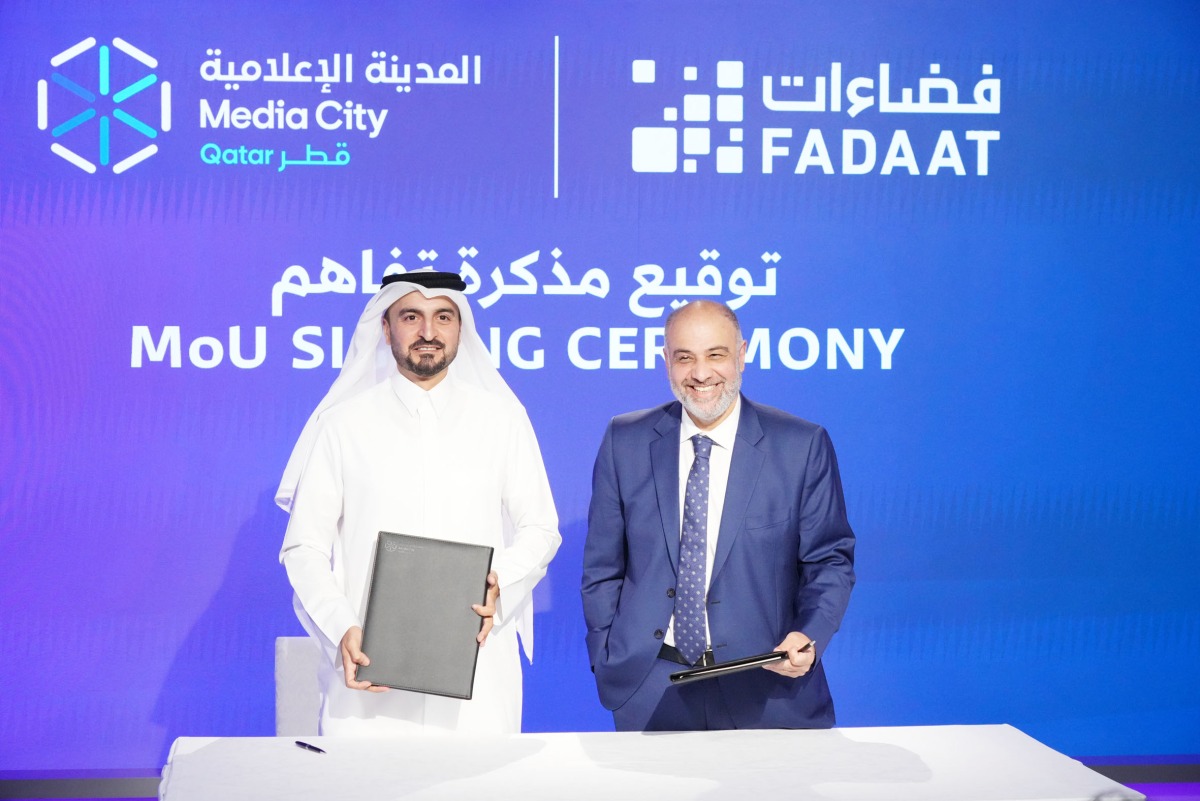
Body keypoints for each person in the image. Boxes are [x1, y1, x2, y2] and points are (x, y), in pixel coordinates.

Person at [277, 271, 561, 735]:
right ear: (386, 328)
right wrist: (341, 627)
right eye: (412, 317)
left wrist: (498, 585)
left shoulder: (502, 419)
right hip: (370, 675)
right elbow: (303, 549)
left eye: (442, 317)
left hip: (478, 669)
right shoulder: (343, 425)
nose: (428, 332)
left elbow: (540, 529)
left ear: (459, 329)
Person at [581, 300, 855, 731]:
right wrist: (606, 655)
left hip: (766, 684)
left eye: (716, 354)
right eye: (684, 357)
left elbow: (829, 561)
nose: (701, 373)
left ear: (742, 354)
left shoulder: (800, 446)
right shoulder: (625, 440)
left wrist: (809, 636)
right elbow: (602, 567)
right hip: (649, 687)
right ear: (666, 361)